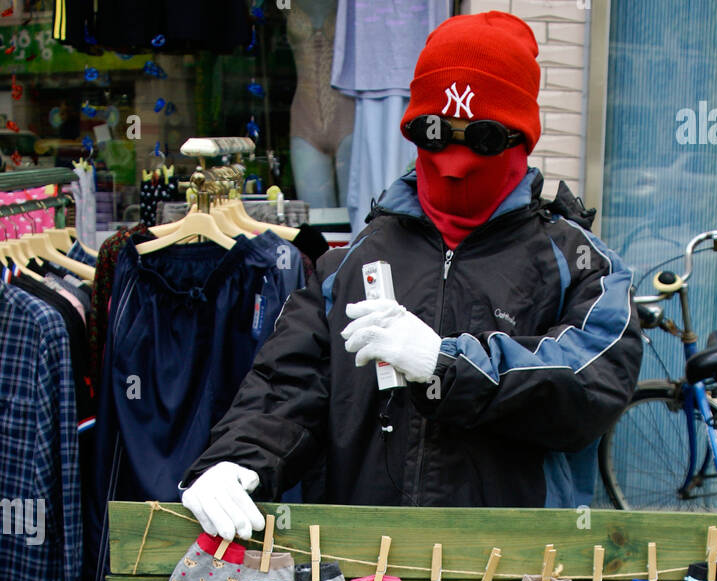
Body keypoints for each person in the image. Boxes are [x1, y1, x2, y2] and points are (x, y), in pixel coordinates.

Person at [180, 10, 642, 537]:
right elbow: (288, 384)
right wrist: (236, 461)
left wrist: (445, 364)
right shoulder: (351, 261)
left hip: (519, 580)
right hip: (367, 574)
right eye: (434, 131)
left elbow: (588, 386)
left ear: (519, 138)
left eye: (482, 137)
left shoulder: (580, 264)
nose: (454, 159)